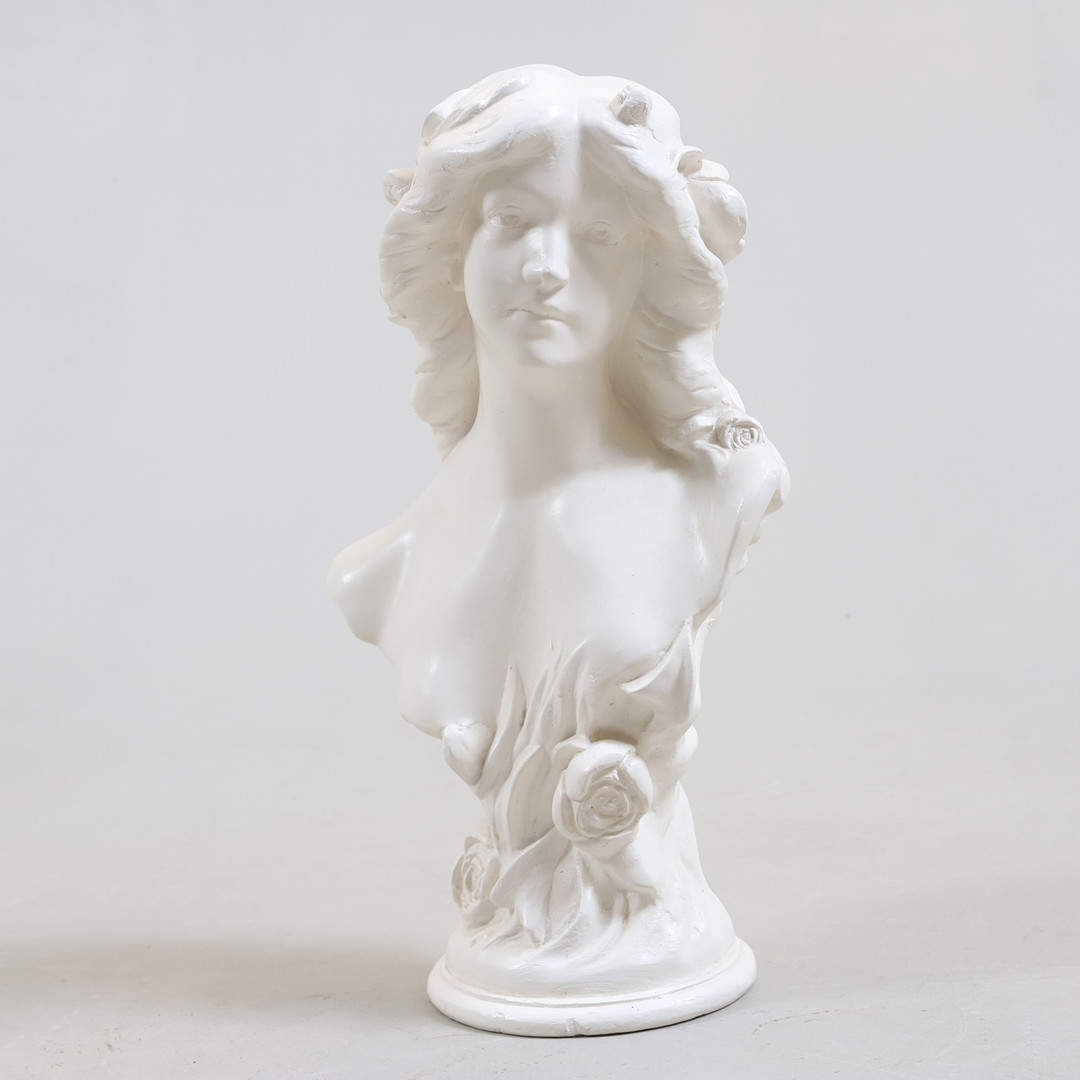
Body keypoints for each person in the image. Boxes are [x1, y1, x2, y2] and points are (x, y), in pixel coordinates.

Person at [329, 66, 787, 1033]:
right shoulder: (383, 567)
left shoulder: (717, 491)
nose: (546, 266)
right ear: (451, 246)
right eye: (511, 220)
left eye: (600, 236)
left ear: (651, 268)